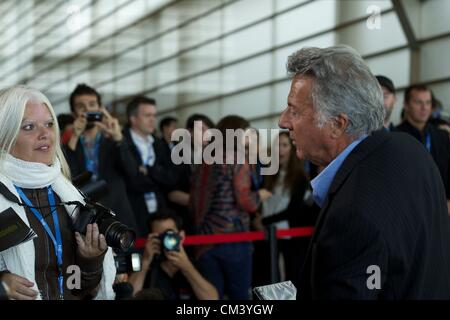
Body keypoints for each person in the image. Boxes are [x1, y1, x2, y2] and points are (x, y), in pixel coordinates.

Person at [279, 45, 450, 299]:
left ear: (337, 124)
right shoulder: (412, 151)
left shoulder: (352, 213)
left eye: (295, 110)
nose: (284, 121)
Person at [0, 85, 116, 300]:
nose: (44, 134)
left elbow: (82, 289)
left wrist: (90, 260)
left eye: (49, 124)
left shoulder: (69, 196)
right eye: (28, 127)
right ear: (5, 137)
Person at [190, 115, 272, 300]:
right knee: (240, 297)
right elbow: (245, 201)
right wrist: (260, 195)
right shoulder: (237, 159)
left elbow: (194, 201)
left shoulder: (205, 159)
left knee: (211, 296)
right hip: (234, 237)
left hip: (204, 239)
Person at [63, 84, 138, 231]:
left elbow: (132, 173)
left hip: (119, 217)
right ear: (73, 113)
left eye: (92, 104)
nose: (87, 110)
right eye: (81, 106)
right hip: (84, 220)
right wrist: (75, 136)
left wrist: (118, 138)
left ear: (100, 109)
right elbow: (66, 177)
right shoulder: (70, 145)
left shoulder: (115, 141)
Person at [252, 132, 319, 288]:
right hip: (265, 233)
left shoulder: (300, 178)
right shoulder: (268, 174)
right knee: (266, 280)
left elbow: (293, 210)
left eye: (284, 145)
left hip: (287, 236)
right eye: (277, 145)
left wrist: (263, 221)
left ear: (292, 148)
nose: (280, 150)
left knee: (287, 280)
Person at [127, 208, 218, 300]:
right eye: (160, 236)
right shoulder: (147, 266)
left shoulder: (197, 264)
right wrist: (145, 261)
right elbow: (128, 297)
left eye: (170, 235)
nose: (165, 241)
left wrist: (187, 267)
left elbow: (212, 298)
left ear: (181, 236)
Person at [121, 96, 175, 237]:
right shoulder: (121, 143)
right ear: (133, 119)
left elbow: (170, 177)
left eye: (154, 115)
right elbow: (131, 180)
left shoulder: (158, 144)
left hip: (158, 210)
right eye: (147, 115)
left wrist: (148, 171)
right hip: (132, 210)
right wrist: (156, 176)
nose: (153, 120)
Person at [396, 85, 450, 215]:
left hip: (443, 208)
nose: (424, 107)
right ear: (406, 105)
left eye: (428, 102)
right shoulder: (396, 137)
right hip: (410, 210)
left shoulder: (441, 136)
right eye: (418, 102)